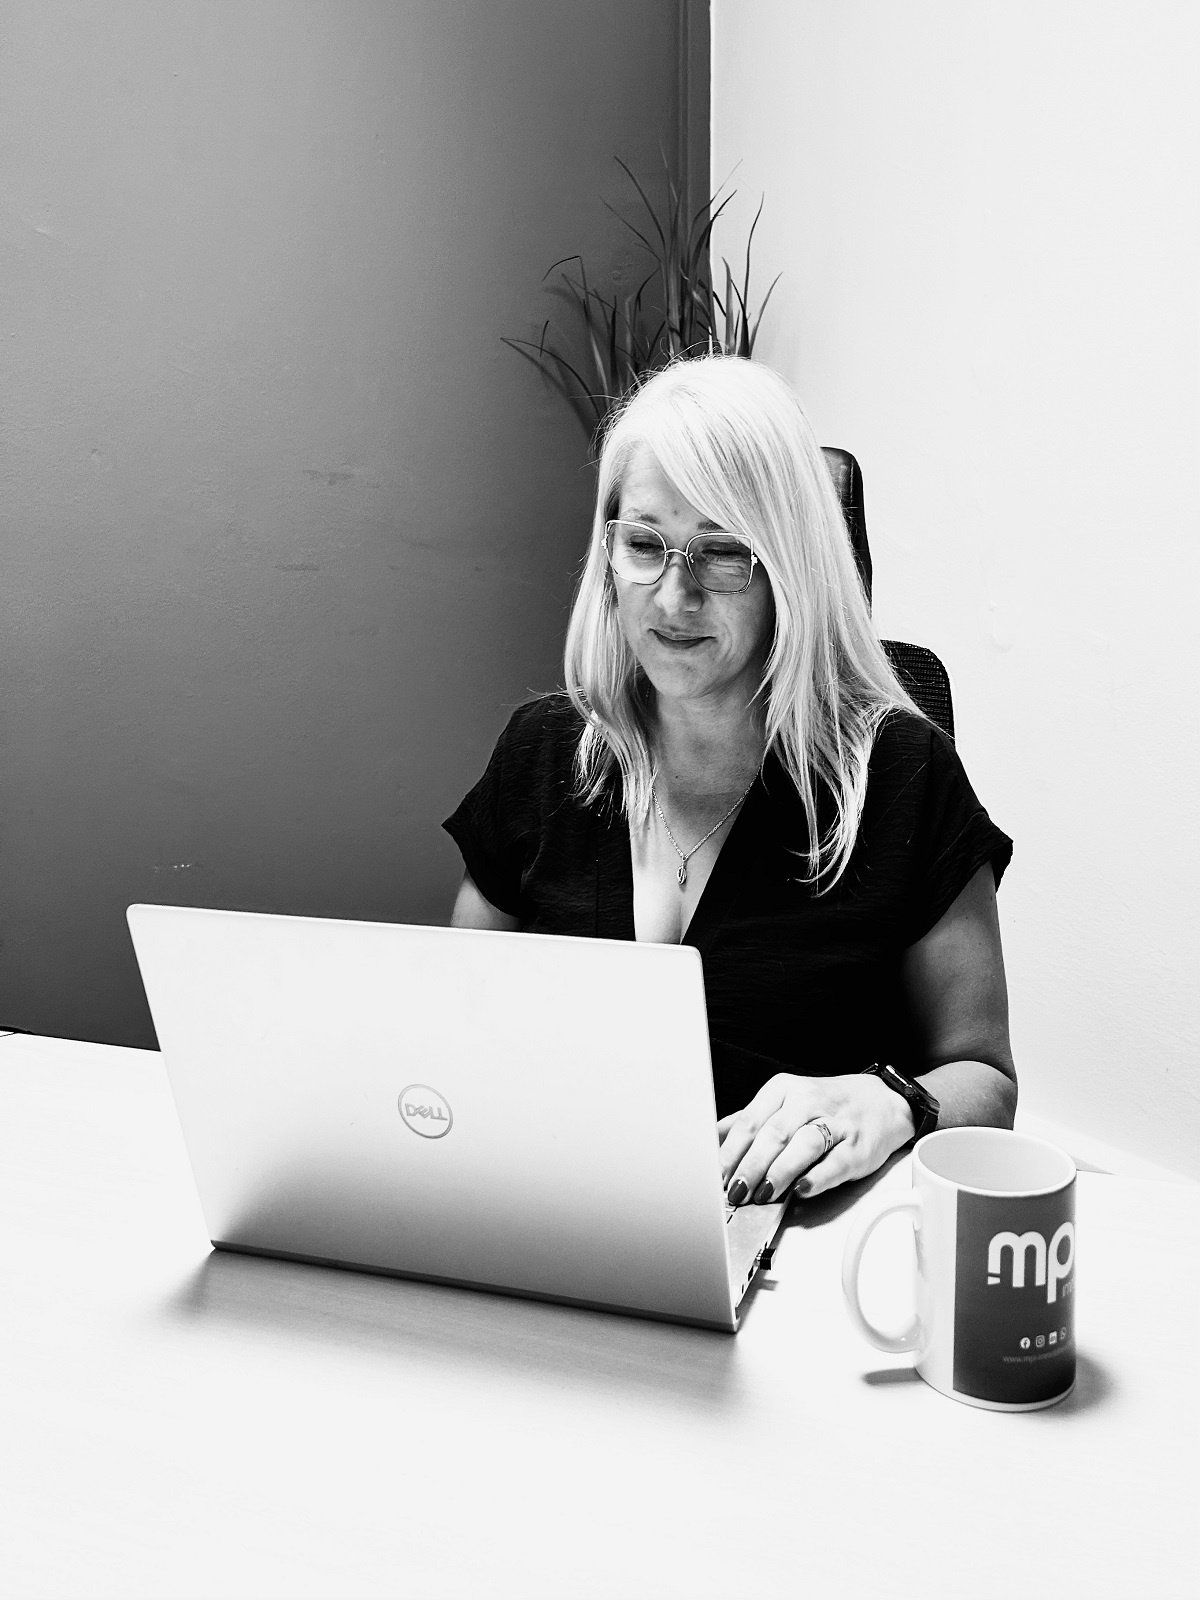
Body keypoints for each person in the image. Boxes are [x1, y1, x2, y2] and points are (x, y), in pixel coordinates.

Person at [444, 355, 1015, 1207]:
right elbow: (455, 1022)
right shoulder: (542, 752)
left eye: (721, 554)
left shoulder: (903, 774)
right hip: (560, 1214)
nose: (673, 600)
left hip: (792, 1237)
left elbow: (986, 1081)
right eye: (644, 545)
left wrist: (889, 1100)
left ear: (791, 565)